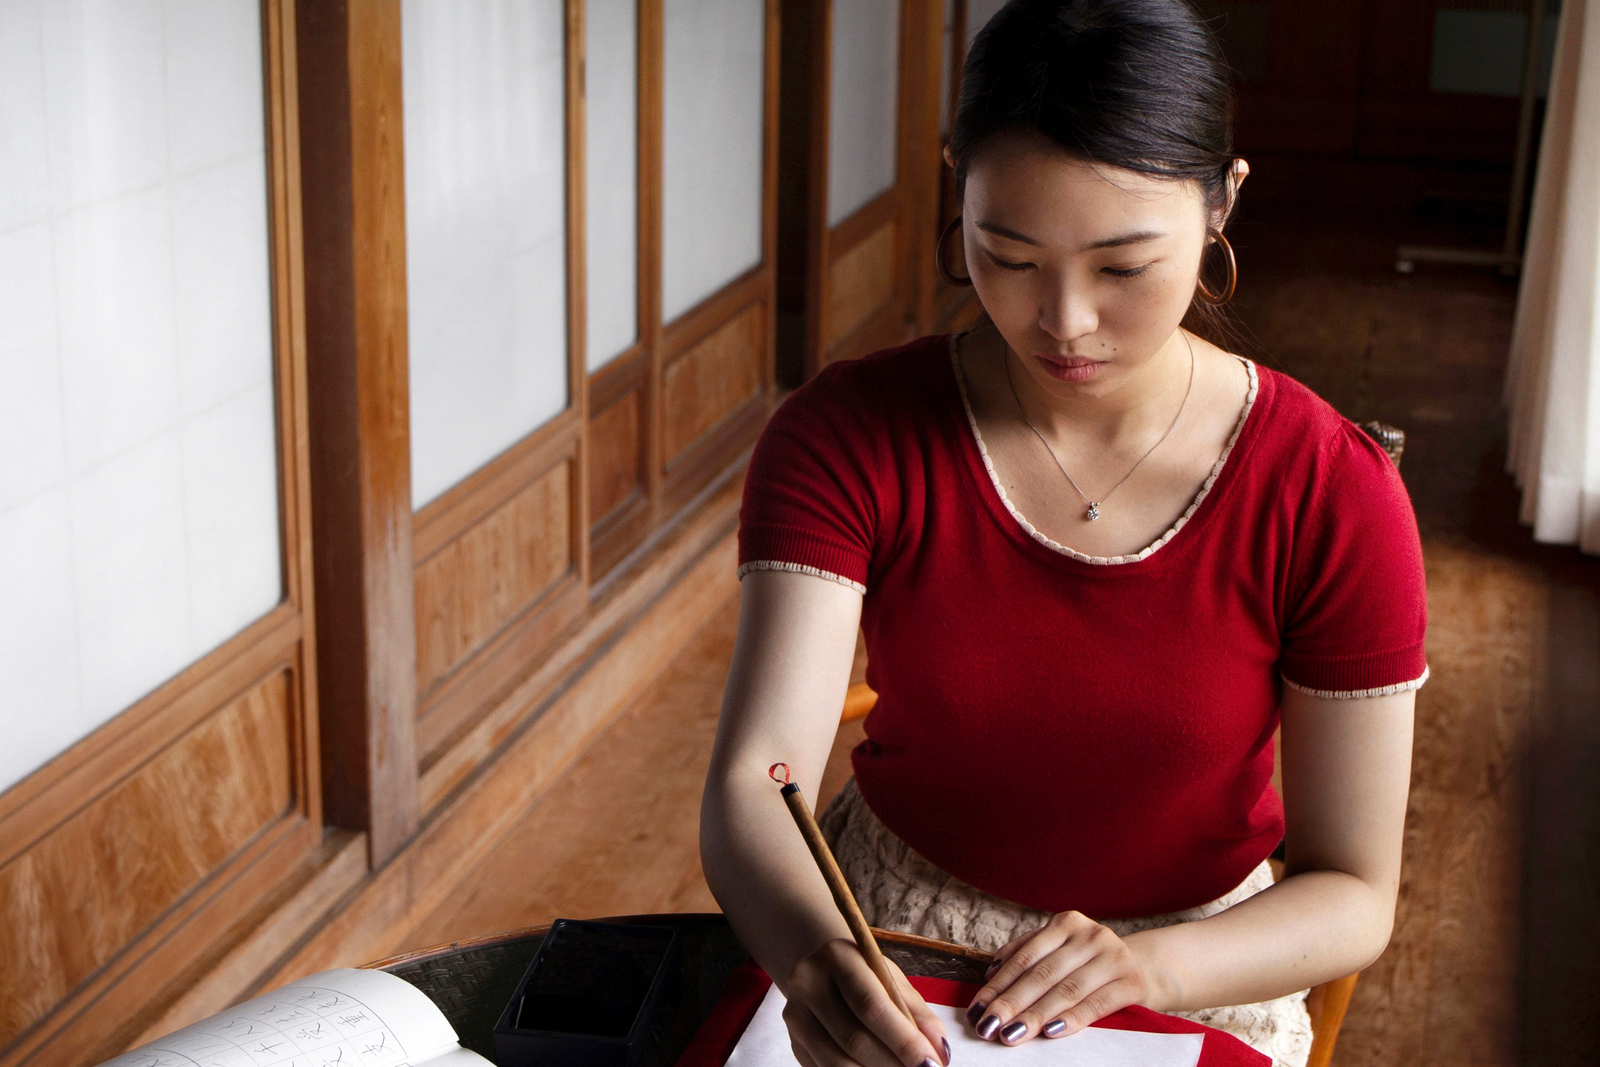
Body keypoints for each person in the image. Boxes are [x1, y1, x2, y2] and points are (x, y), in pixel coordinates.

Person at [699, 2, 1427, 1065]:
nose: (1064, 319)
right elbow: (754, 782)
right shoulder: (848, 434)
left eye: (1122, 266)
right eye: (1006, 253)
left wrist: (1153, 968)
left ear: (1223, 201)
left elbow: (1354, 890)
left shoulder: (1327, 490)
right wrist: (817, 960)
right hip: (886, 926)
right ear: (959, 189)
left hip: (1195, 962)